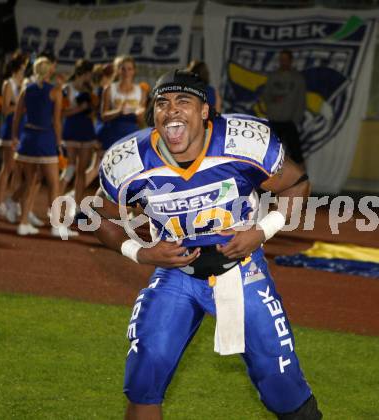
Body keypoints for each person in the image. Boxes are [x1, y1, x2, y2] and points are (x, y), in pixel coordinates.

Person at [93, 70, 321, 420]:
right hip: (177, 274)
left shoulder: (237, 143)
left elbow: (297, 184)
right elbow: (97, 215)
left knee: (282, 386)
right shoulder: (133, 160)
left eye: (183, 101)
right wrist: (141, 252)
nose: (172, 111)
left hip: (241, 269)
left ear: (204, 111)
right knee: (144, 378)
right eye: (163, 104)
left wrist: (261, 232)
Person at [12, 57, 77, 238]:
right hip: (45, 140)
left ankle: (23, 223)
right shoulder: (55, 91)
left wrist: (15, 137)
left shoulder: (26, 90)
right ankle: (56, 226)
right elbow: (56, 122)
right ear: (49, 72)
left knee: (30, 183)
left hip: (27, 140)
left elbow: (17, 118)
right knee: (54, 184)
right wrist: (59, 143)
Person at [60, 59, 96, 219]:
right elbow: (62, 112)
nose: (91, 77)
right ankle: (53, 204)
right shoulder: (67, 88)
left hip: (86, 129)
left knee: (81, 170)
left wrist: (91, 110)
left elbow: (93, 112)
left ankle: (77, 207)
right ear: (84, 73)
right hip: (72, 129)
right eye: (90, 73)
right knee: (71, 168)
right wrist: (79, 108)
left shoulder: (90, 89)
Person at [0, 52, 28, 218]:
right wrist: (20, 107)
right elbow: (6, 109)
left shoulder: (24, 84)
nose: (25, 69)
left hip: (22, 130)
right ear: (18, 67)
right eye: (24, 65)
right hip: (10, 129)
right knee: (7, 168)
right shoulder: (9, 83)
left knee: (17, 169)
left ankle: (12, 202)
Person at [262, 50, 306, 168]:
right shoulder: (273, 76)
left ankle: (303, 181)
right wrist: (272, 100)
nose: (283, 62)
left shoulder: (298, 78)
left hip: (289, 121)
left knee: (296, 154)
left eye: (286, 59)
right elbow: (265, 95)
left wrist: (295, 120)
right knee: (270, 152)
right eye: (281, 59)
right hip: (274, 119)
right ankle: (269, 180)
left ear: (291, 61)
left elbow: (301, 101)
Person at [100, 55, 146, 151]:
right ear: (117, 70)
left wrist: (140, 115)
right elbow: (103, 116)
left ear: (134, 71)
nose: (126, 72)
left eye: (129, 69)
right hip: (113, 132)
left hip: (132, 132)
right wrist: (119, 111)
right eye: (123, 69)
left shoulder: (141, 91)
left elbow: (141, 122)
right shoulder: (109, 89)